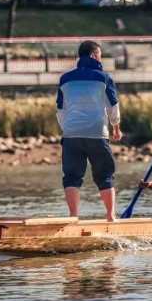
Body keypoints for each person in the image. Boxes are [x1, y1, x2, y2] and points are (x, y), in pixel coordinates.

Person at [57, 41, 122, 221]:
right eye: (100, 54)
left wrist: (68, 129)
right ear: (94, 55)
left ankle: (73, 217)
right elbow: (113, 106)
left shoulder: (65, 79)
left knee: (71, 176)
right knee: (105, 175)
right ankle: (110, 216)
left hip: (71, 134)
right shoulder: (104, 78)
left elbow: (60, 110)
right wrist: (116, 127)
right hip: (96, 133)